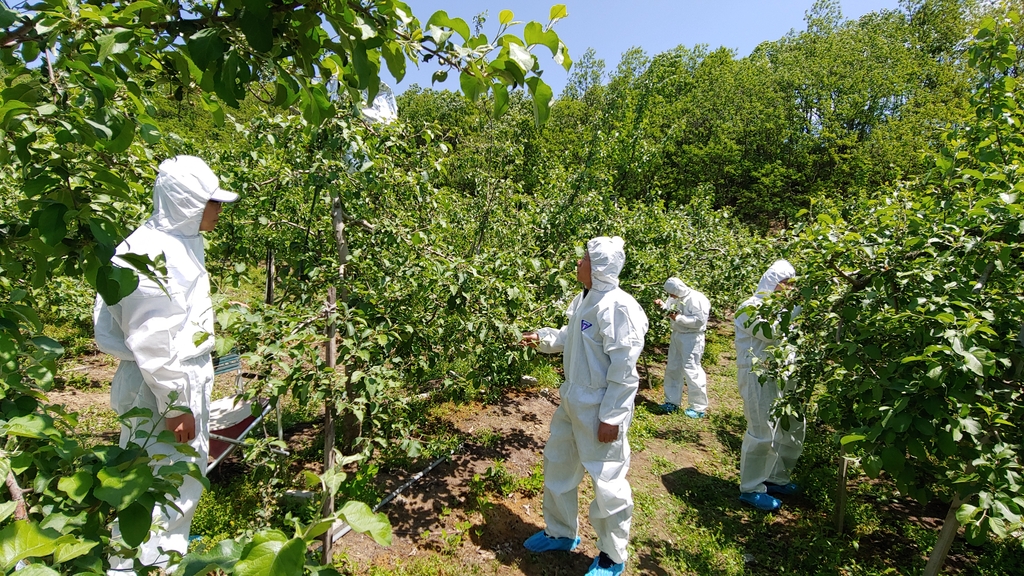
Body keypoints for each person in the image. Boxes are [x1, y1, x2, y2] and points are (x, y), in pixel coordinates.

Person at [94, 156, 239, 571]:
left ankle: (155, 560)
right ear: (188, 202)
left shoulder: (176, 239)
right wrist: (176, 402)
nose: (218, 209)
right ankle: (141, 565)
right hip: (163, 382)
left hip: (170, 377)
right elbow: (152, 338)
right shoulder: (148, 254)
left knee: (166, 480)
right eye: (212, 201)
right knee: (163, 484)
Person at [520, 236, 649, 576]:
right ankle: (562, 532)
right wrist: (542, 338)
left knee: (607, 481)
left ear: (601, 267)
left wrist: (612, 417)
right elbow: (571, 335)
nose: (578, 263)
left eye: (584, 259)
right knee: (559, 463)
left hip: (599, 406)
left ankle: (612, 556)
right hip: (572, 399)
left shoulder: (619, 308)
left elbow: (624, 370)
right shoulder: (585, 299)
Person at [734, 259, 804, 512]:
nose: (789, 289)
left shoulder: (787, 308)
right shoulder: (750, 307)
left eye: (793, 285)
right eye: (785, 284)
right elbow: (772, 332)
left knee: (791, 426)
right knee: (762, 430)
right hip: (758, 375)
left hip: (785, 373)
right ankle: (751, 488)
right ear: (772, 282)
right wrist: (796, 308)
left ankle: (777, 478)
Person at [653, 278, 711, 418]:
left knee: (692, 369)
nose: (671, 296)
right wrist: (662, 307)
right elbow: (670, 312)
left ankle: (698, 407)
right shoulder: (674, 297)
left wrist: (678, 318)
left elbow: (698, 321)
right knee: (673, 368)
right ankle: (671, 401)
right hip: (677, 335)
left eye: (672, 293)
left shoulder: (697, 299)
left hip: (692, 338)